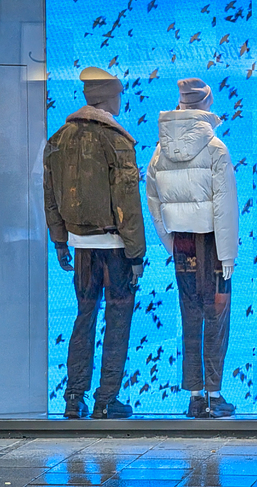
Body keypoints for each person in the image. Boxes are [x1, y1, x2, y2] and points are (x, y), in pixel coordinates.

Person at [43, 67, 146, 419]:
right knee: (118, 318)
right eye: (117, 94)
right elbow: (128, 202)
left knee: (84, 316)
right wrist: (136, 253)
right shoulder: (117, 140)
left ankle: (74, 397)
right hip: (115, 248)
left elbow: (50, 196)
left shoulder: (58, 138)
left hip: (80, 245)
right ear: (106, 97)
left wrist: (59, 241)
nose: (120, 100)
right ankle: (106, 399)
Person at [147, 78, 239, 419]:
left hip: (183, 245)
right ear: (207, 104)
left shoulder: (159, 150)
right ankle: (215, 396)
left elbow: (153, 202)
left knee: (190, 319)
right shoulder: (216, 148)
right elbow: (225, 206)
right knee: (216, 317)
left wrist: (169, 241)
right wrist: (227, 252)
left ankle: (195, 397)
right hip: (214, 246)